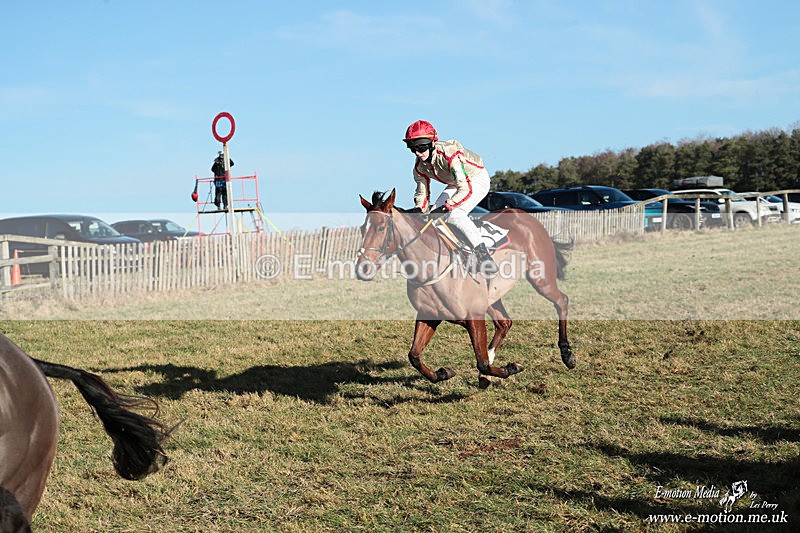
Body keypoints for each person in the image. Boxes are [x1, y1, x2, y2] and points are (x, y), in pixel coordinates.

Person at [403, 120, 498, 275]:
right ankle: (459, 254)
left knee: (455, 214)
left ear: (432, 143)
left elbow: (465, 188)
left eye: (421, 147)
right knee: (432, 218)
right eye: (412, 148)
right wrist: (420, 210)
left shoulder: (449, 153)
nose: (418, 153)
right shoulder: (419, 167)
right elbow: (422, 194)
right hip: (456, 183)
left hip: (476, 178)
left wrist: (447, 206)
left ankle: (485, 257)